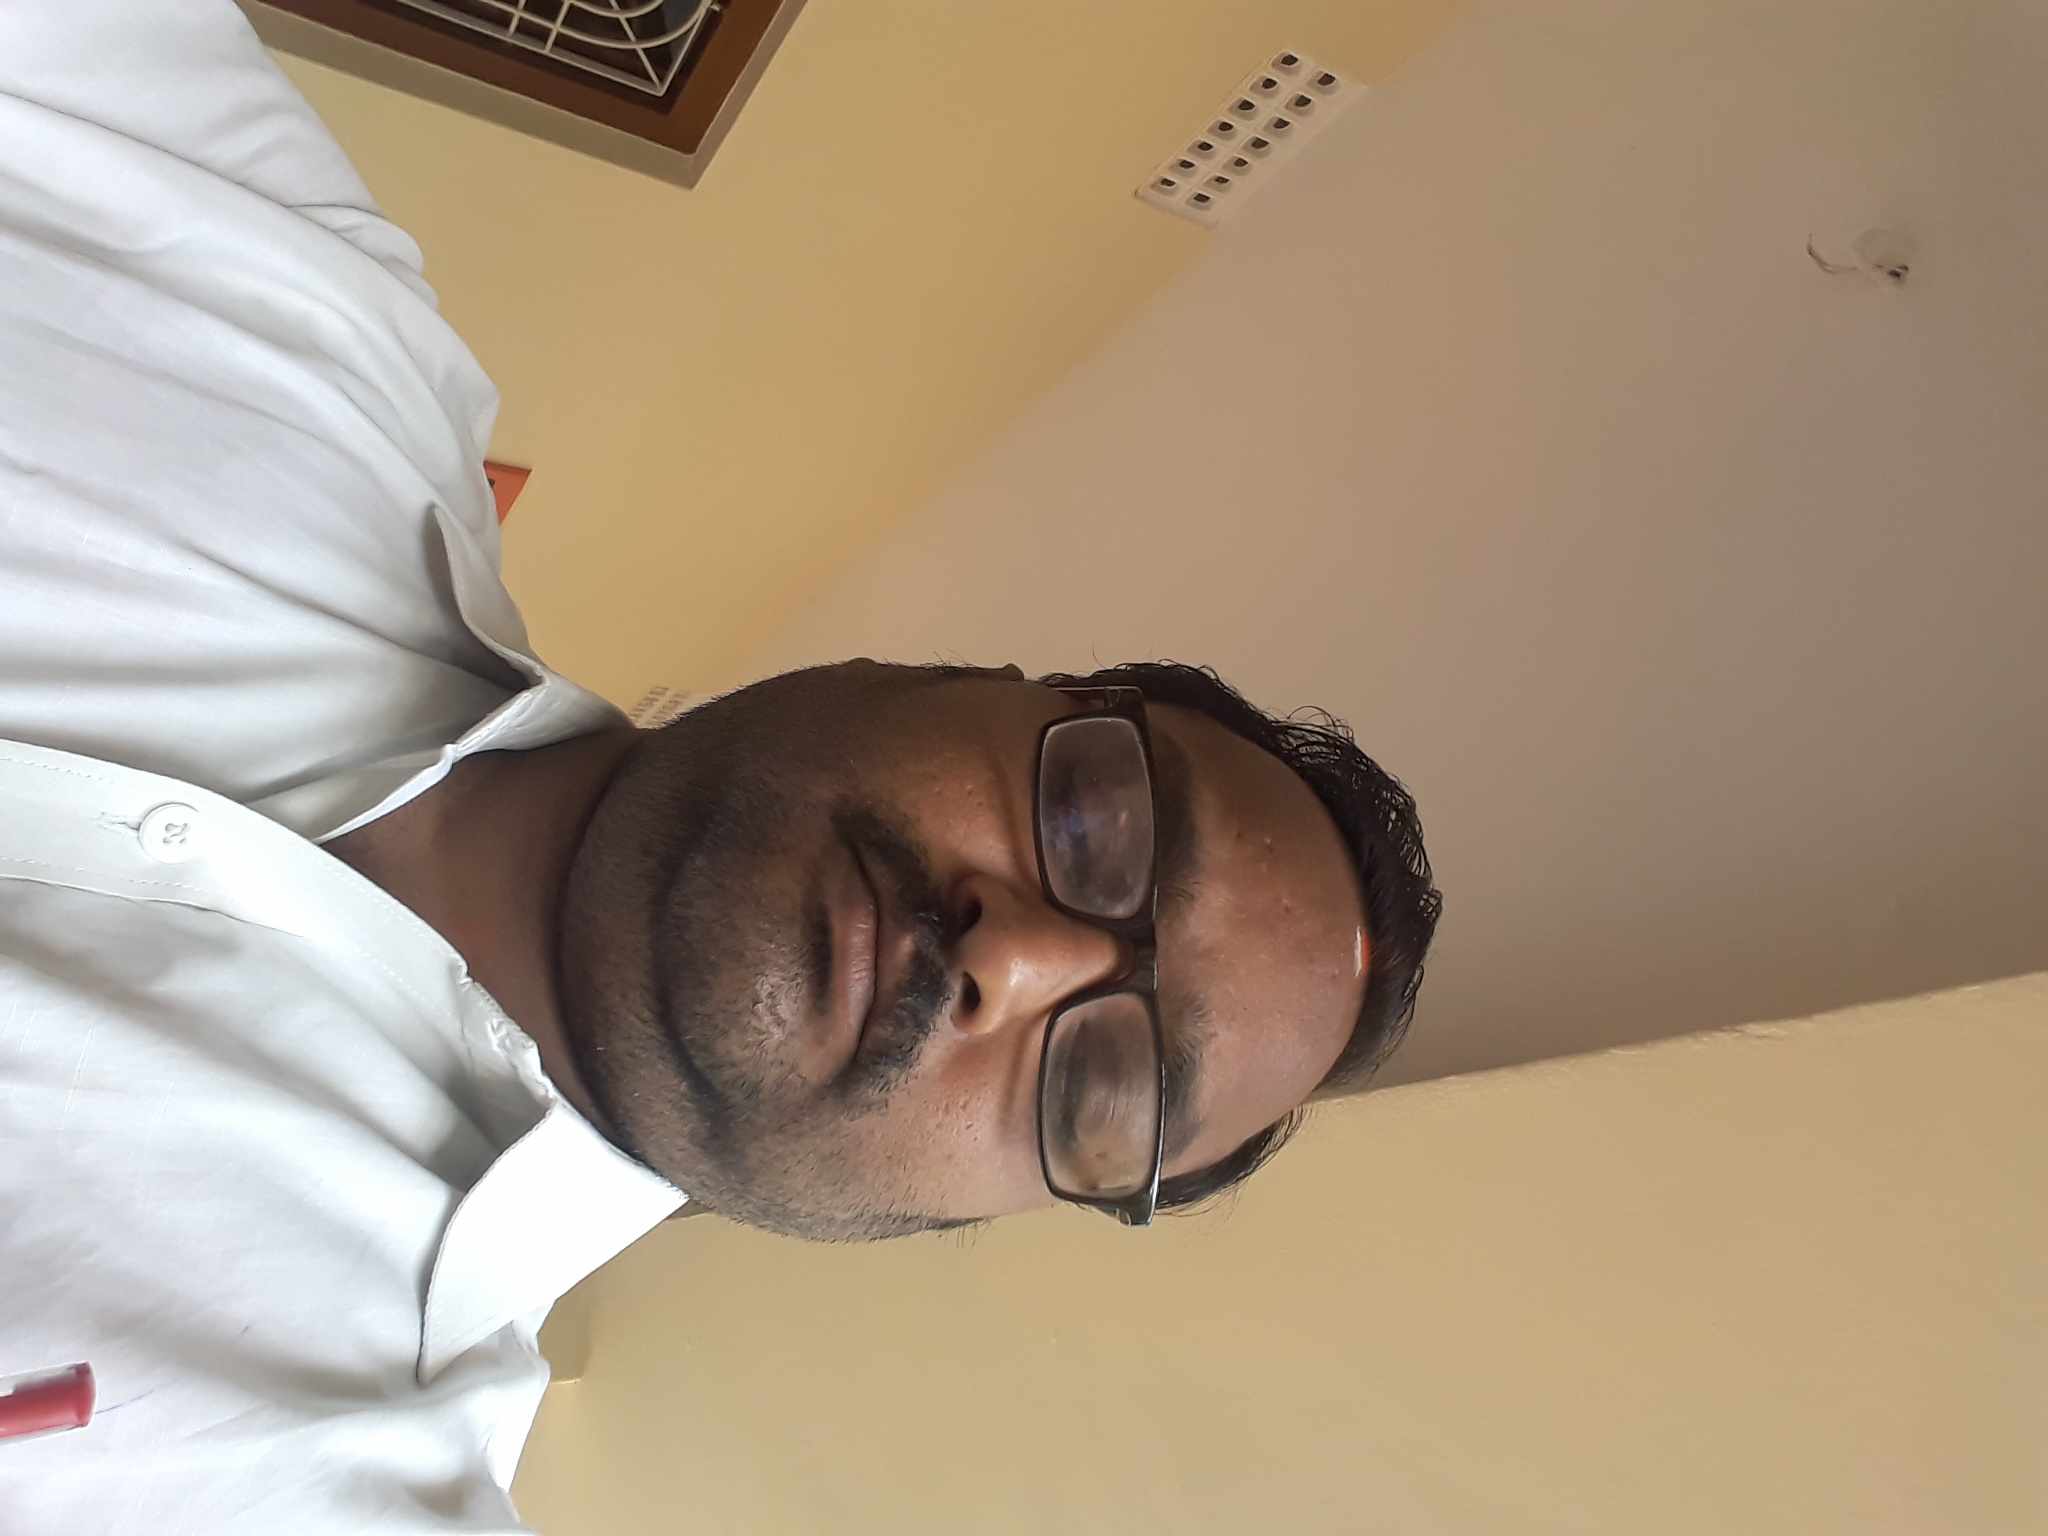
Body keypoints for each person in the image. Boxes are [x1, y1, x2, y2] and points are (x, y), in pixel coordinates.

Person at [0, 4, 1440, 1531]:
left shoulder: (300, 1487)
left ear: (965, 1217)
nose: (1014, 960)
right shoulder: (292, 329)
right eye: (1098, 822)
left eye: (1107, 1086)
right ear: (980, 684)